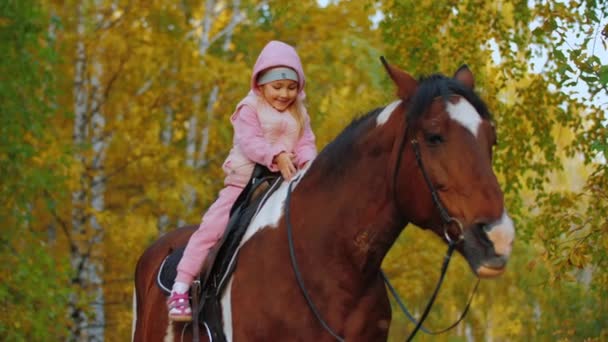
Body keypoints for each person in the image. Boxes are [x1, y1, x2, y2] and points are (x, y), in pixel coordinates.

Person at [167, 40, 318, 322]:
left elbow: (306, 141)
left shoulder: (300, 112)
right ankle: (180, 287)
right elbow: (251, 143)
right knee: (212, 228)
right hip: (245, 184)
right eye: (277, 86)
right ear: (260, 84)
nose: (284, 94)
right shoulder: (249, 108)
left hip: (286, 183)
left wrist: (309, 163)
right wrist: (278, 155)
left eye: (291, 87)